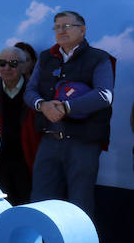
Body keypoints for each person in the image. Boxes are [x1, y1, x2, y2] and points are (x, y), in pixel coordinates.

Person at [23, 11, 114, 220]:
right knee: (41, 202)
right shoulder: (46, 57)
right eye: (57, 27)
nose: (61, 31)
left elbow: (104, 95)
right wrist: (42, 105)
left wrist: (66, 107)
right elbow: (30, 91)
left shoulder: (99, 58)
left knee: (80, 205)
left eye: (67, 26)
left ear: (82, 30)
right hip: (49, 141)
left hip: (83, 144)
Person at [0, 47, 41, 205]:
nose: (7, 68)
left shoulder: (36, 92)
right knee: (2, 206)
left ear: (24, 66)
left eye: (13, 63)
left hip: (28, 161)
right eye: (2, 63)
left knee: (27, 206)